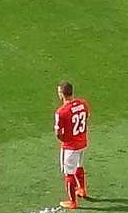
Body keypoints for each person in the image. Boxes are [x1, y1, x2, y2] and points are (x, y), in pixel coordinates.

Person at [54, 81, 90, 209]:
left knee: (69, 173)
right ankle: (82, 189)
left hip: (70, 146)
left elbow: (58, 133)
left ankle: (72, 202)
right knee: (79, 166)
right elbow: (85, 120)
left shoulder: (61, 112)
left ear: (61, 94)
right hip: (82, 142)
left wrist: (64, 139)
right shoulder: (83, 104)